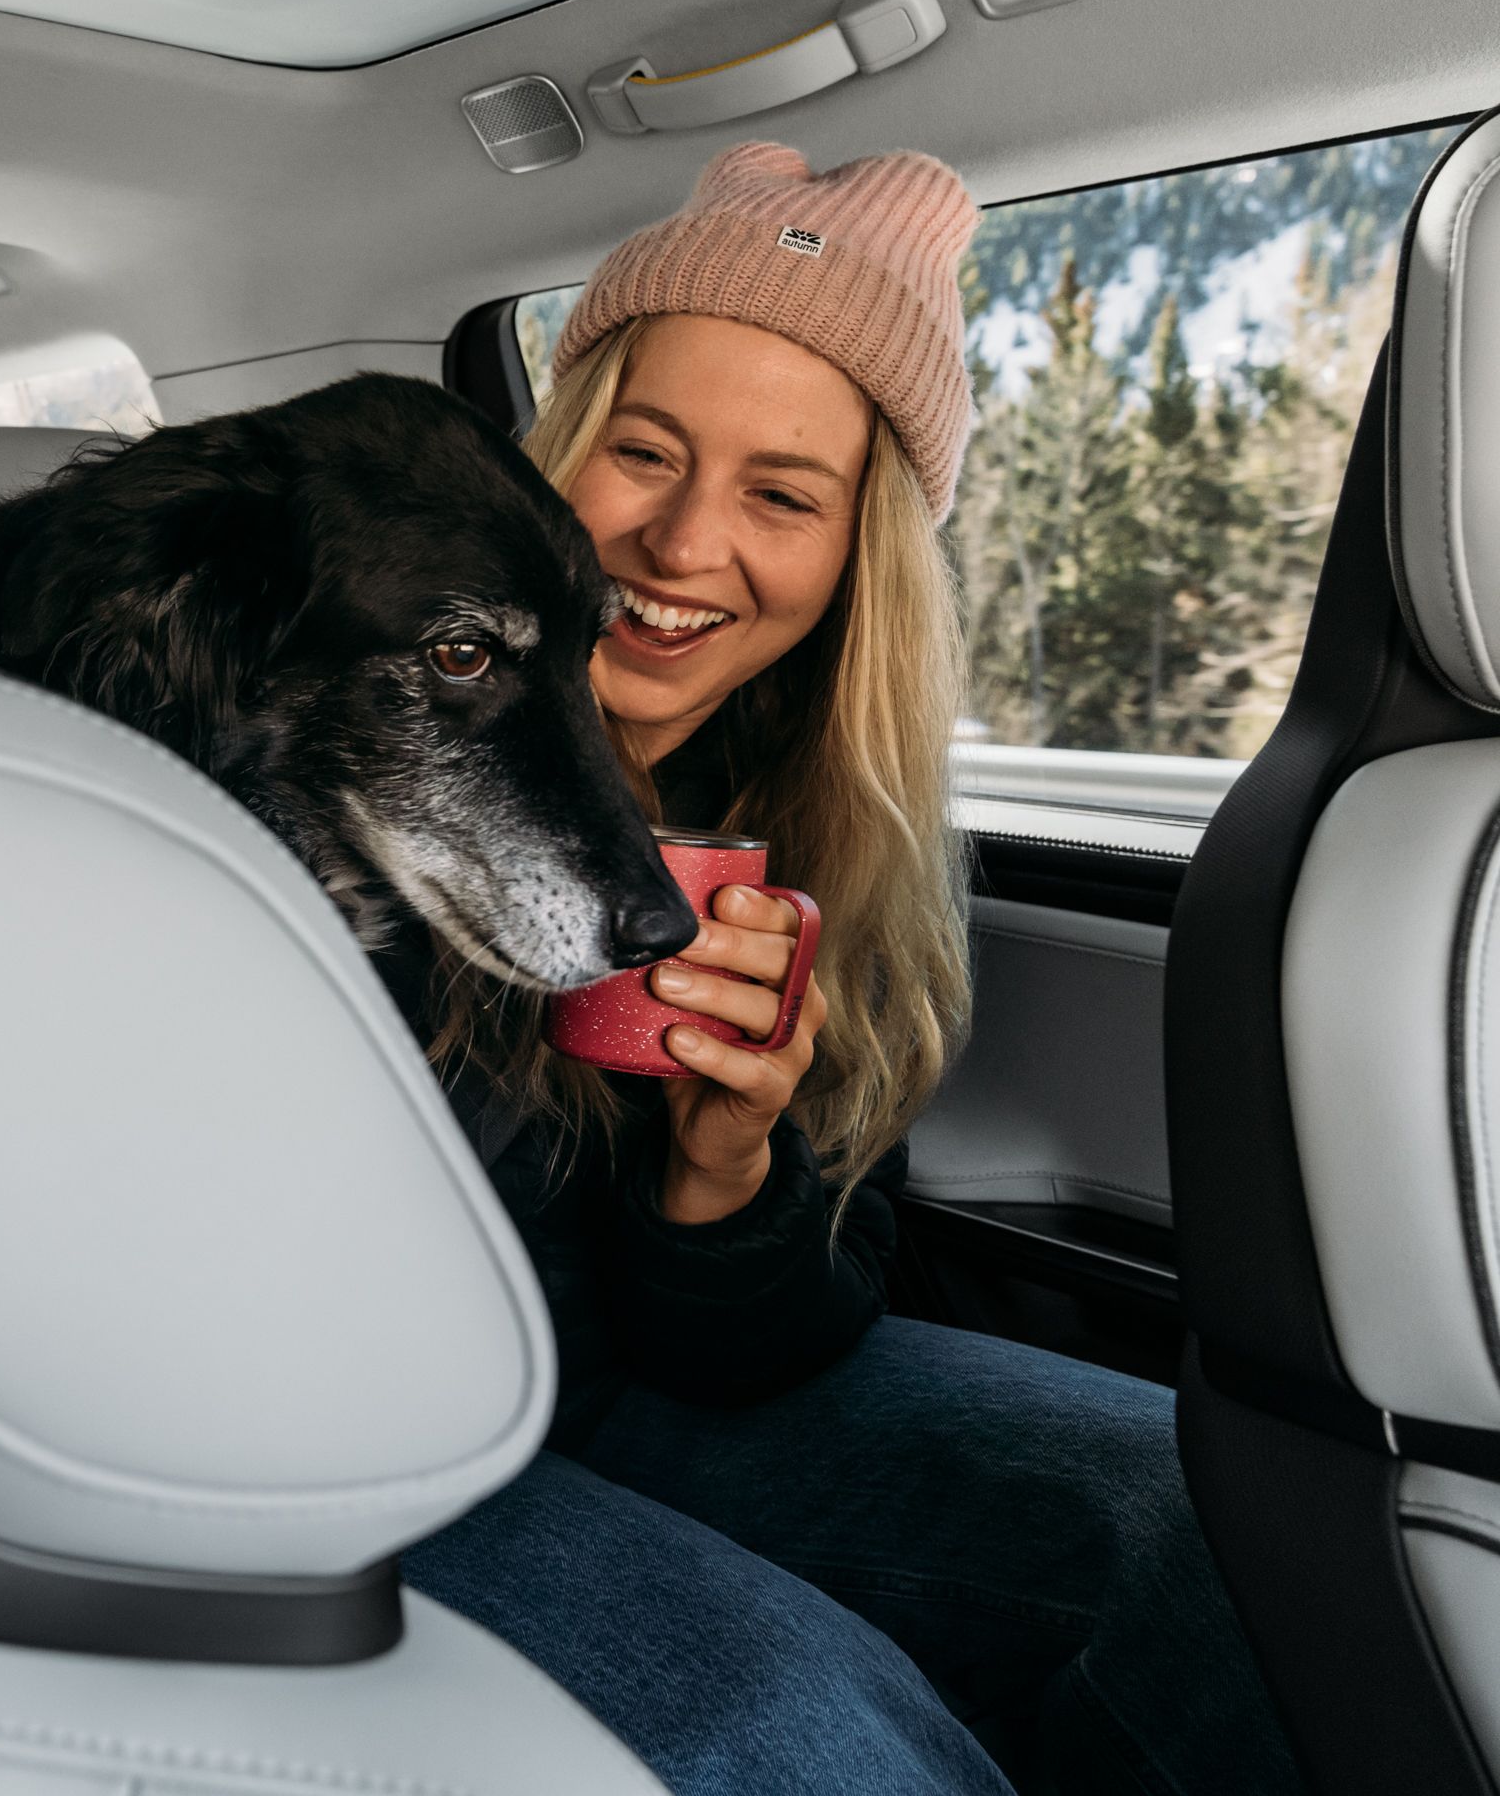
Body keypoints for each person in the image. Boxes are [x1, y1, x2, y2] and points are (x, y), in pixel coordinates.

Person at [389, 144, 1299, 1796]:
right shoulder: (352, 728)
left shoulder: (813, 827)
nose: (683, 542)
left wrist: (726, 1172)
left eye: (783, 495)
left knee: (1214, 1530)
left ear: (854, 558)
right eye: (643, 453)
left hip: (620, 1395)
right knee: (819, 1731)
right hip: (350, 1431)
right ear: (553, 459)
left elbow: (761, 1348)